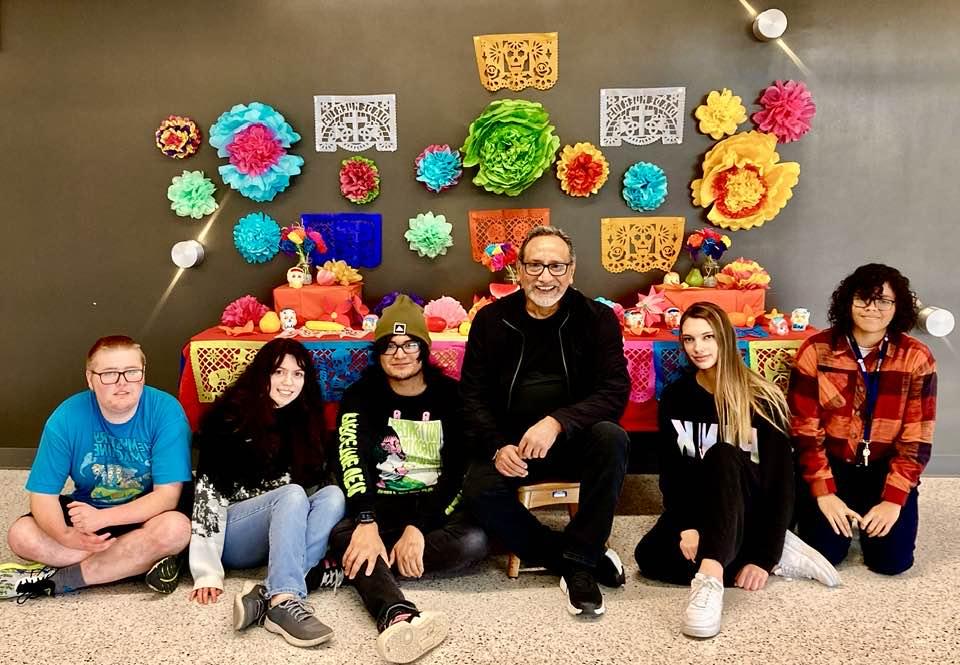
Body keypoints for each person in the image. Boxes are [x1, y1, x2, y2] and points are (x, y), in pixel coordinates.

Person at [634, 302, 839, 639]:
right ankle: (763, 553)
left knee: (723, 455)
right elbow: (672, 474)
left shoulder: (762, 397)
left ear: (726, 339)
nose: (698, 348)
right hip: (700, 508)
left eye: (707, 337)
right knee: (650, 557)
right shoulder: (676, 396)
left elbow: (780, 484)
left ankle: (711, 581)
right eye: (689, 339)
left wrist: (764, 556)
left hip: (749, 510)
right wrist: (687, 526)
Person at [460, 226, 631, 619]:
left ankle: (580, 559)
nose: (545, 276)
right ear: (518, 270)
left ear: (571, 271)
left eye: (556, 266)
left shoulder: (598, 319)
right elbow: (471, 397)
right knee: (477, 487)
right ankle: (577, 559)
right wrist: (496, 446)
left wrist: (557, 422)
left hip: (574, 442)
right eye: (535, 265)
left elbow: (614, 391)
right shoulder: (490, 321)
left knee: (612, 438)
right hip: (512, 448)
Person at [330, 295, 487, 664]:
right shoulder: (361, 396)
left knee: (475, 541)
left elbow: (457, 471)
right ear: (379, 352)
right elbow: (350, 458)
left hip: (432, 509)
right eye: (389, 346)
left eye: (409, 344)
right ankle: (397, 612)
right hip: (381, 507)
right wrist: (366, 521)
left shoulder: (452, 397)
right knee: (342, 534)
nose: (399, 353)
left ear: (424, 349)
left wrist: (419, 526)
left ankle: (366, 568)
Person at [2, 335, 192, 600]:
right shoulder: (66, 417)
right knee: (21, 536)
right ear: (90, 379)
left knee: (177, 529)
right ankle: (137, 564)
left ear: (143, 375)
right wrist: (66, 535)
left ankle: (64, 578)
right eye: (109, 374)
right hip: (89, 516)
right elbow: (42, 496)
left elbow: (167, 497)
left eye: (132, 372)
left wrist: (103, 519)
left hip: (147, 516)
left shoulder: (166, 411)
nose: (122, 382)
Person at [188, 338, 345, 648]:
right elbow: (208, 492)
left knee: (333, 496)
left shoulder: (303, 419)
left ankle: (269, 592)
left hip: (278, 533)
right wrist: (206, 572)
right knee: (292, 494)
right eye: (279, 372)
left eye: (298, 374)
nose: (289, 382)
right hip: (234, 534)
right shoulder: (229, 418)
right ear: (262, 374)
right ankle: (284, 601)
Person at [789, 264, 937, 575]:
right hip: (832, 465)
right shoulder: (816, 349)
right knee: (825, 553)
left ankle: (870, 515)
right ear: (847, 302)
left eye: (883, 301)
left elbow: (917, 439)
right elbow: (805, 431)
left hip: (884, 468)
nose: (872, 308)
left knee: (893, 562)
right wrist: (824, 493)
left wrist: (894, 500)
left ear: (898, 307)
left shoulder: (916, 357)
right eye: (863, 299)